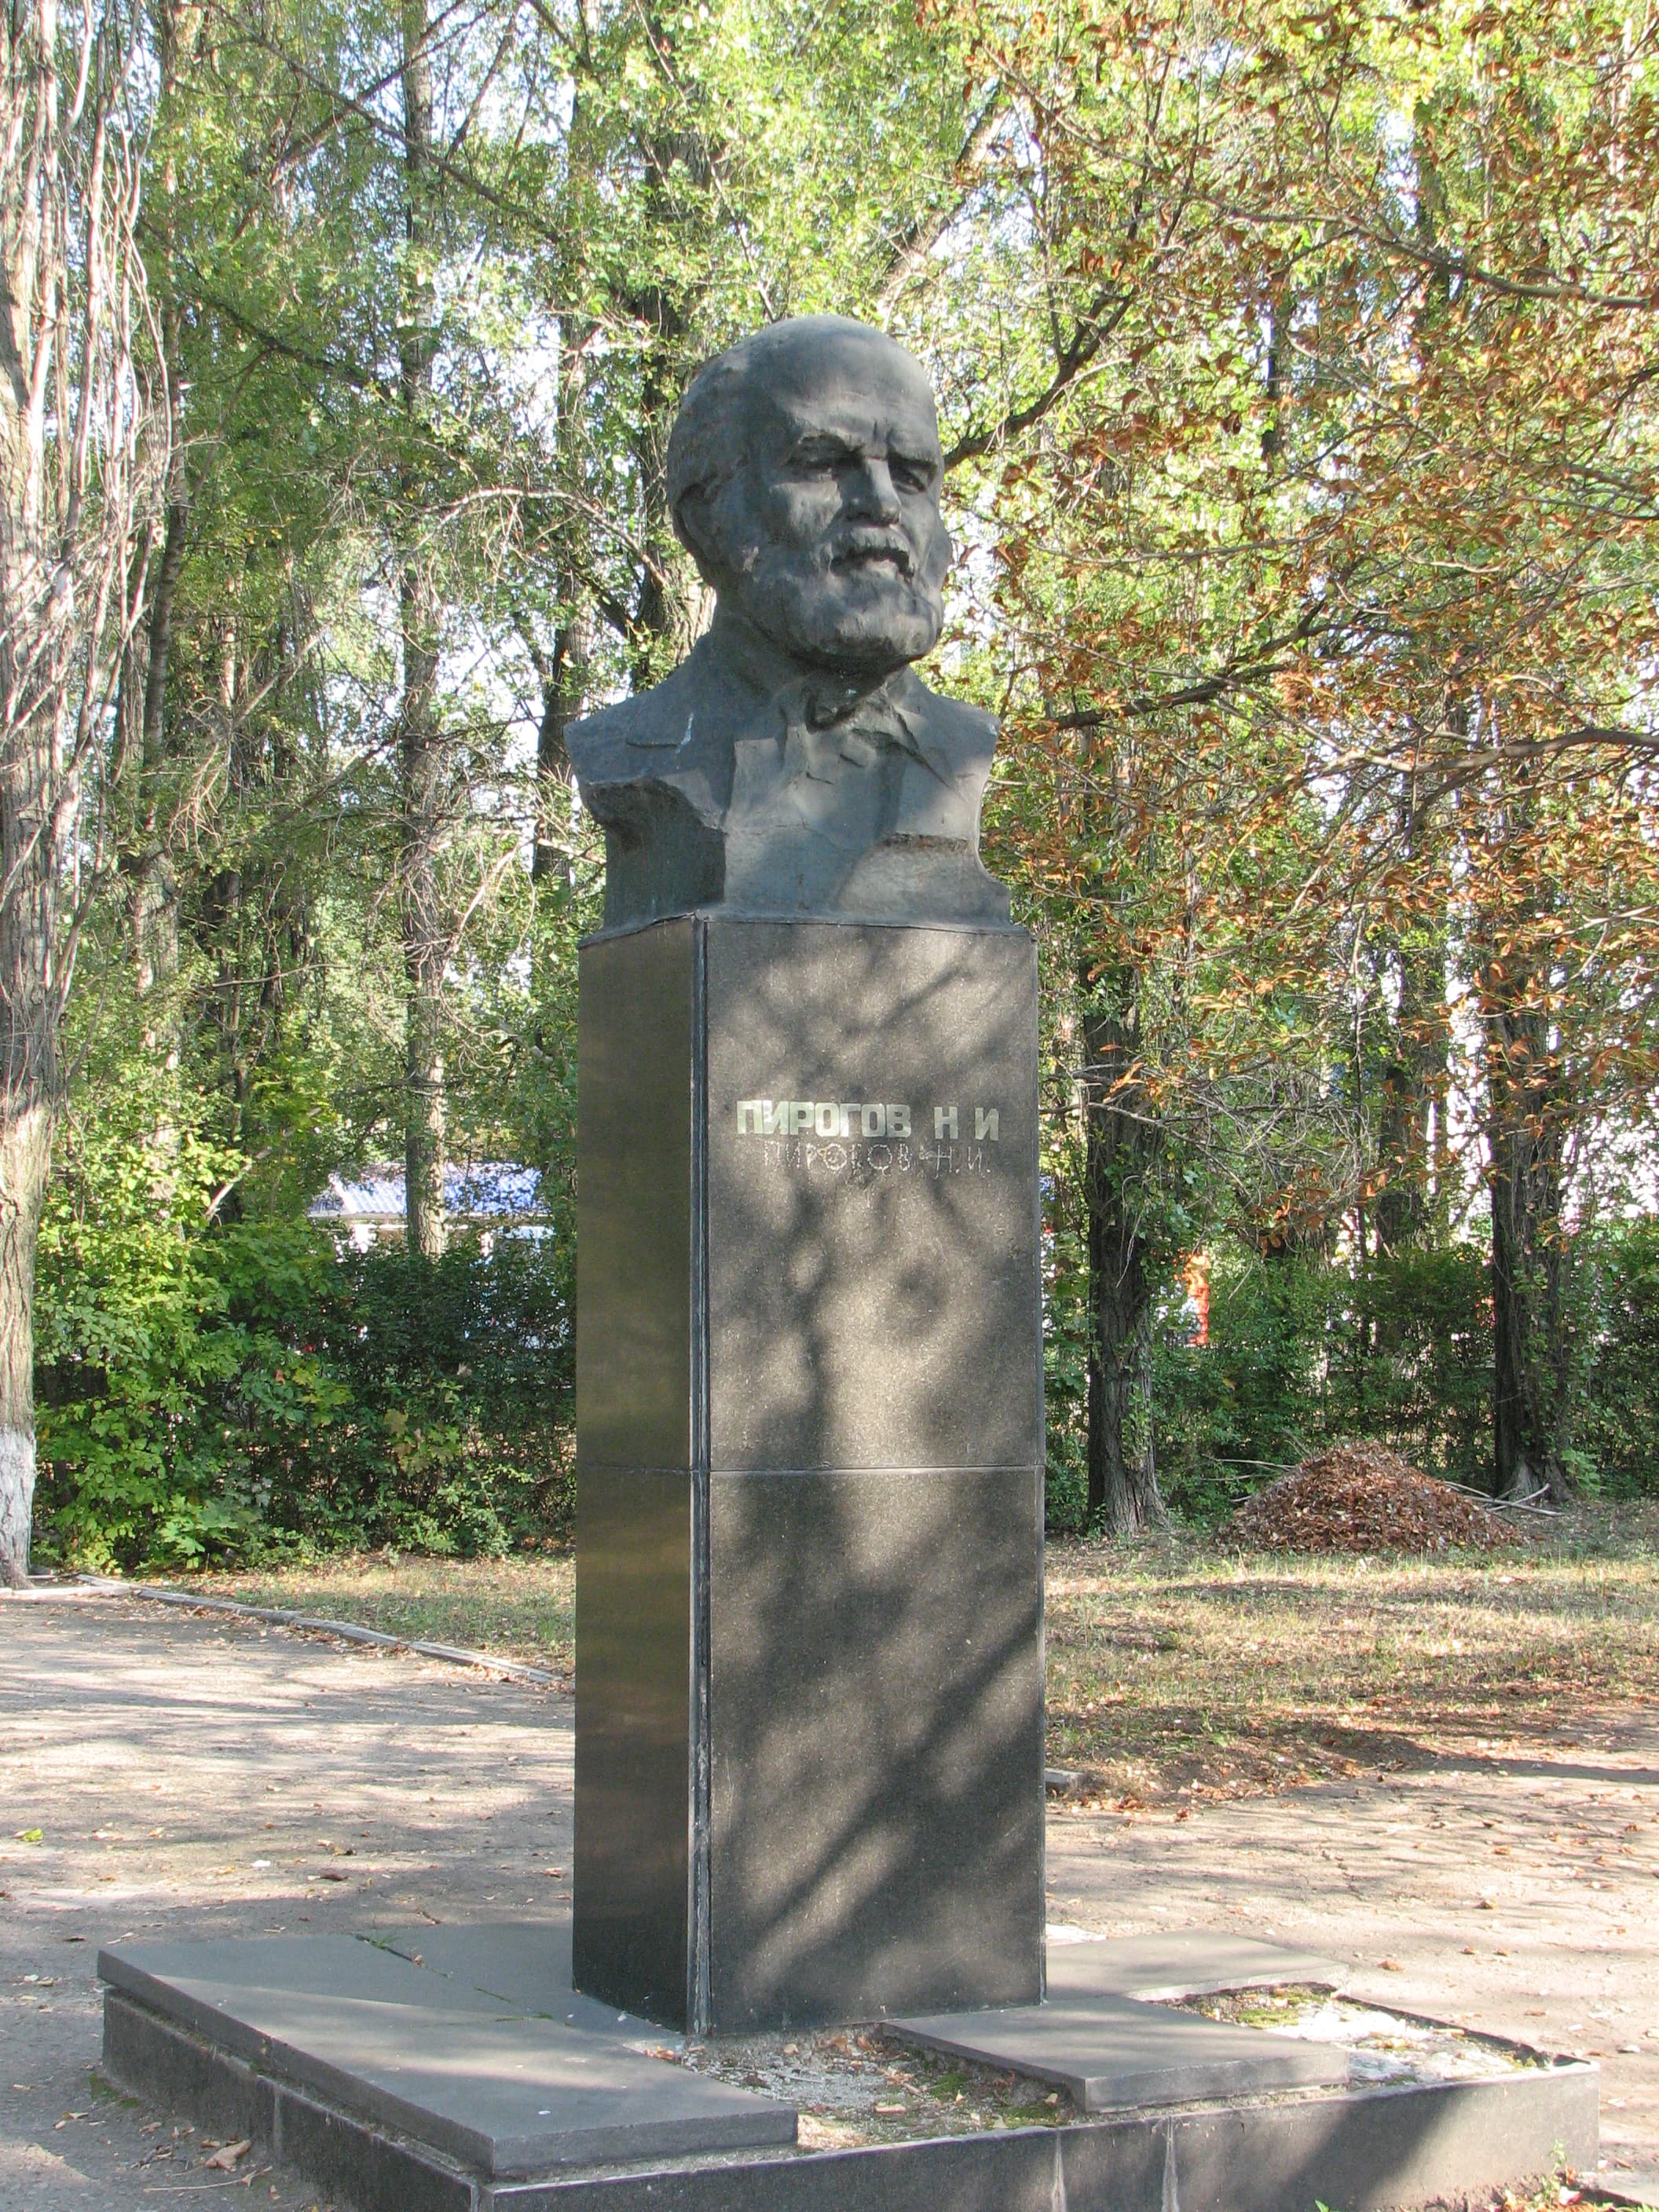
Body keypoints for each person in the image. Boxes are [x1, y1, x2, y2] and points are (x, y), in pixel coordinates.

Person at [569, 315, 1010, 930]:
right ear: (710, 516)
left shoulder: (962, 752)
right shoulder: (631, 752)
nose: (882, 503)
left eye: (911, 474)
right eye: (824, 462)